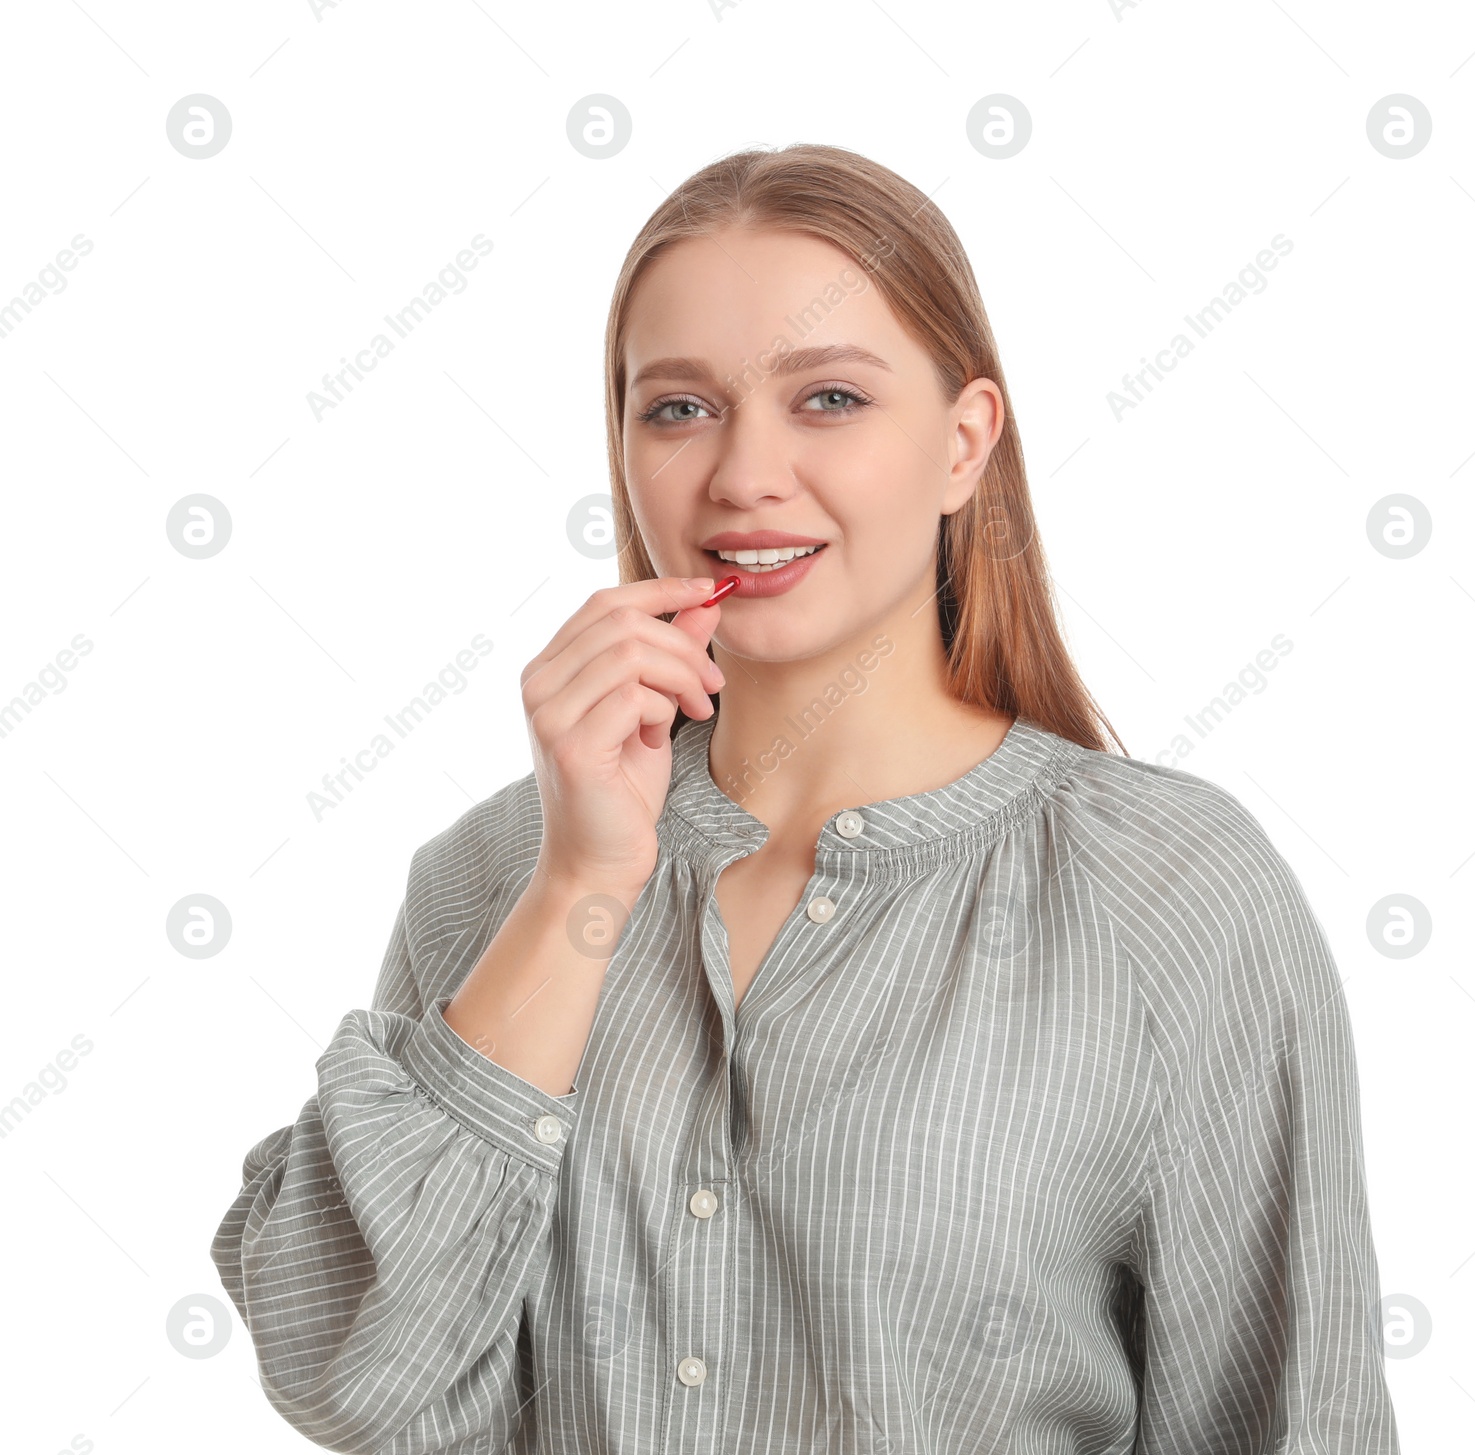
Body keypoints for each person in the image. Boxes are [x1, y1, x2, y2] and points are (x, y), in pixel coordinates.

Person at [211, 142, 1402, 1453]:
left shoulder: (1172, 897)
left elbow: (1294, 1423)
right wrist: (581, 889)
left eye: (827, 398)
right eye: (679, 409)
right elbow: (356, 1378)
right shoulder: (495, 880)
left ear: (963, 446)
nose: (742, 476)